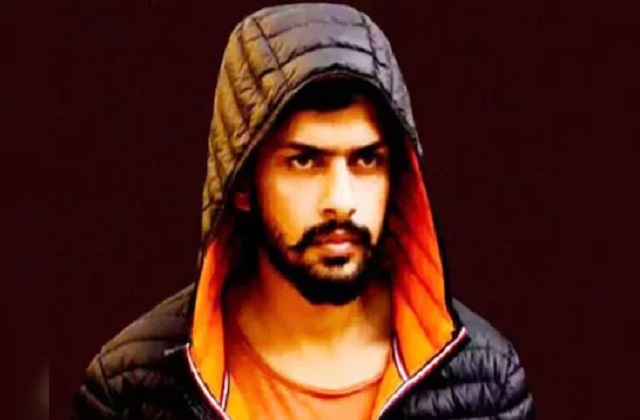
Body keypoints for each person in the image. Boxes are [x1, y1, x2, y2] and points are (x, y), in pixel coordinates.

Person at [73, 3, 534, 419]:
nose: (341, 199)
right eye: (304, 161)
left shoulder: (485, 384)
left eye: (366, 160)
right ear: (242, 185)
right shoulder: (132, 391)